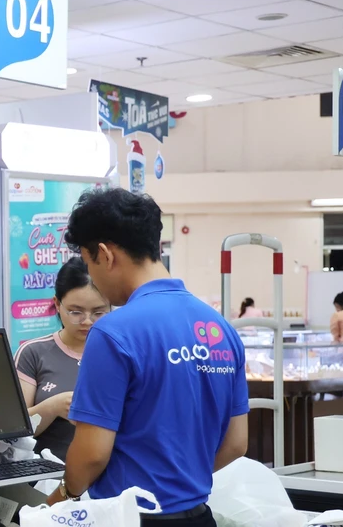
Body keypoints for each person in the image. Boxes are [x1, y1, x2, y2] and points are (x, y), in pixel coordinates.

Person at [48, 188, 248, 527]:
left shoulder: (113, 333)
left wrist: (61, 498)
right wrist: (179, 479)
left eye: (87, 262)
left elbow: (93, 454)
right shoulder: (220, 327)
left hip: (133, 519)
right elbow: (236, 443)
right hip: (200, 518)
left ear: (104, 254)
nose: (92, 277)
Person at [14, 258, 108, 461]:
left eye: (98, 312)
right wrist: (53, 407)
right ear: (57, 304)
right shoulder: (32, 353)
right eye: (76, 312)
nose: (87, 321)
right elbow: (14, 432)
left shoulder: (118, 353)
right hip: (45, 478)